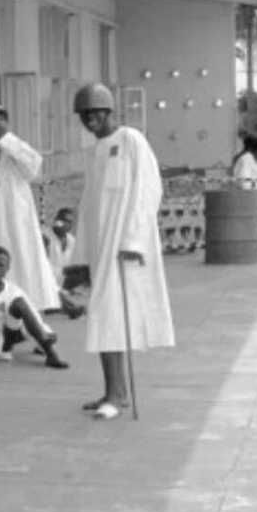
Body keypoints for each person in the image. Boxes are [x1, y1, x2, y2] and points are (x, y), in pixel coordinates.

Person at [71, 83, 175, 419]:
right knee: (104, 317)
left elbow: (148, 190)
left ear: (108, 111)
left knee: (111, 317)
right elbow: (89, 205)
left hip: (124, 247)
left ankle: (117, 394)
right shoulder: (95, 151)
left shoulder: (131, 140)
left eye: (95, 112)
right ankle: (113, 391)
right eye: (84, 114)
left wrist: (132, 241)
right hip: (101, 247)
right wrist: (81, 257)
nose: (90, 119)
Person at [0, 103, 60, 312]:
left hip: (17, 218)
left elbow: (33, 166)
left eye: (0, 120)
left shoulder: (15, 149)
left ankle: (28, 310)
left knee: (23, 259)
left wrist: (7, 141)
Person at [42, 208, 87, 319]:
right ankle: (67, 308)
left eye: (69, 222)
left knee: (86, 271)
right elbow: (41, 266)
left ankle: (63, 303)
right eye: (63, 220)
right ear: (56, 220)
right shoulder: (45, 236)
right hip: (46, 277)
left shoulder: (71, 240)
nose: (65, 224)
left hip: (62, 277)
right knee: (50, 284)